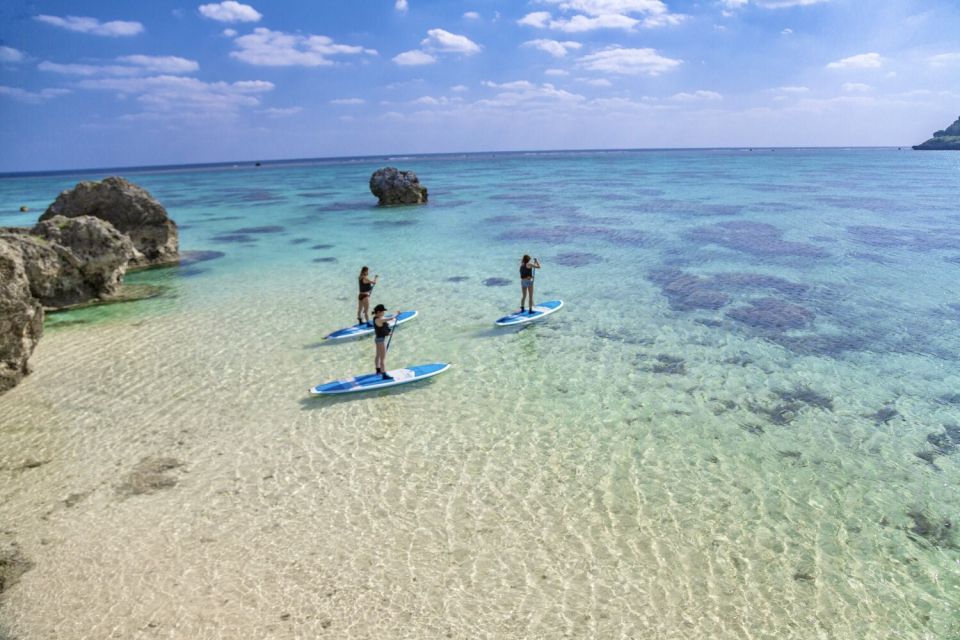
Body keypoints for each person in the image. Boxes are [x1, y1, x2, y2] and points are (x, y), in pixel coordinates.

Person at [372, 304, 400, 379]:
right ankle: (384, 374)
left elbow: (381, 329)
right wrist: (396, 314)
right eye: (383, 311)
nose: (384, 313)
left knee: (378, 355)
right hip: (381, 341)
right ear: (378, 312)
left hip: (378, 339)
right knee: (382, 358)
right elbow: (390, 318)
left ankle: (378, 370)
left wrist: (388, 333)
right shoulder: (379, 319)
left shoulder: (376, 318)